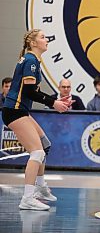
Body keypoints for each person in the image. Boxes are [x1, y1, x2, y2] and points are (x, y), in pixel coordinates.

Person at [2, 29, 71, 210]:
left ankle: (40, 188)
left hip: (19, 110)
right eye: (42, 37)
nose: (46, 39)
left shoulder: (32, 60)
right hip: (15, 111)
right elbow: (29, 92)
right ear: (33, 43)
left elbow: (34, 92)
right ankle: (27, 198)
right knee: (37, 153)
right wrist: (53, 103)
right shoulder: (31, 61)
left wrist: (54, 101)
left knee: (44, 144)